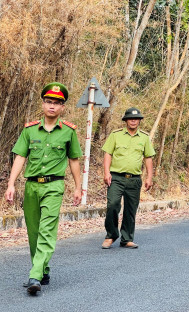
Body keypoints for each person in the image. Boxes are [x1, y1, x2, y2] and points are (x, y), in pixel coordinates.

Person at [4, 82, 82, 295]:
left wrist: (78, 188)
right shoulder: (29, 130)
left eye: (57, 103)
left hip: (54, 186)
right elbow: (20, 156)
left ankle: (35, 275)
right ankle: (44, 269)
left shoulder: (68, 132)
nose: (52, 106)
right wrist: (11, 184)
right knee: (34, 232)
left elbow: (74, 160)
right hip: (31, 186)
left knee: (47, 230)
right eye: (48, 101)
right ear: (43, 104)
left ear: (62, 107)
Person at [101, 107, 155, 249]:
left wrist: (150, 177)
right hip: (116, 178)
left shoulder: (144, 137)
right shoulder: (115, 135)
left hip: (134, 179)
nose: (133, 120)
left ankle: (127, 238)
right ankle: (111, 235)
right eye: (130, 118)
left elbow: (148, 158)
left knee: (131, 209)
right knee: (112, 205)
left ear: (139, 121)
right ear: (125, 120)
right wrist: (106, 172)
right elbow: (108, 154)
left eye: (136, 118)